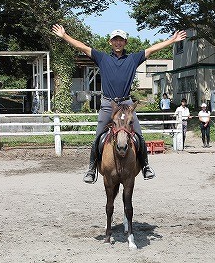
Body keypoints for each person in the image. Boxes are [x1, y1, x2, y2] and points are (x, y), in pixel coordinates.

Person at [52, 24, 187, 184]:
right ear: (110, 42)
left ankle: (145, 166)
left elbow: (151, 50)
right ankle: (91, 169)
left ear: (125, 42)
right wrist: (64, 35)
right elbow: (82, 47)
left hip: (127, 104)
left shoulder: (132, 59)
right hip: (108, 104)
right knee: (97, 137)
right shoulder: (102, 58)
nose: (118, 43)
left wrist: (172, 40)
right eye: (115, 40)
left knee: (139, 136)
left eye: (121, 40)